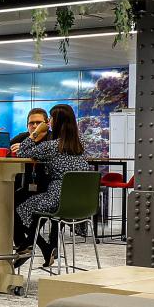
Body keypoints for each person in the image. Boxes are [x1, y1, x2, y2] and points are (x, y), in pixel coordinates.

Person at [12, 104, 95, 266]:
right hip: (81, 201)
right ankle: (39, 247)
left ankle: (31, 246)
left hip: (58, 199)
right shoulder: (81, 143)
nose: (48, 122)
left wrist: (36, 132)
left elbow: (22, 152)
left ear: (56, 121)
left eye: (49, 119)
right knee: (33, 212)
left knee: (19, 208)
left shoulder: (52, 146)